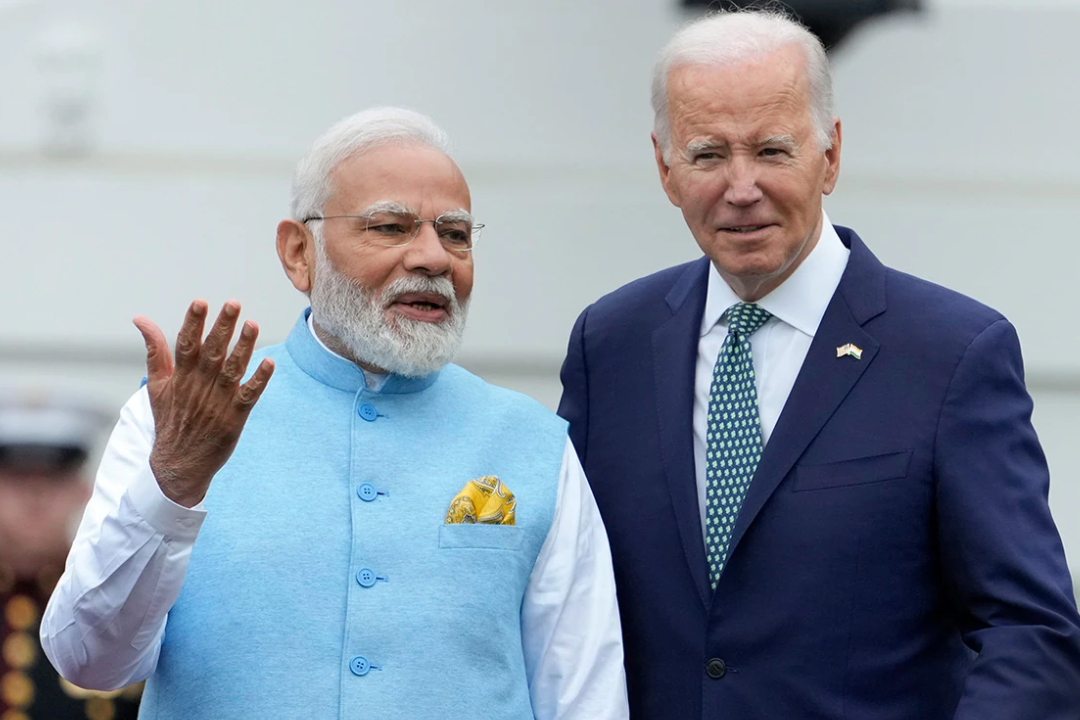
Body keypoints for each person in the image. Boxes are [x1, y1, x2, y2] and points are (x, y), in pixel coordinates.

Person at [557, 9, 1080, 719]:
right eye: (708, 155)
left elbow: (1029, 632)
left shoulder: (952, 353)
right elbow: (562, 597)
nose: (741, 187)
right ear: (665, 168)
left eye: (772, 150)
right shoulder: (610, 344)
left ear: (830, 156)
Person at [41, 107, 628, 720]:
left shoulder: (533, 444)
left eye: (455, 234)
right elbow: (88, 662)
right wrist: (172, 485)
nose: (434, 258)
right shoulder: (181, 416)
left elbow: (587, 699)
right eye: (391, 227)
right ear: (300, 253)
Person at [0, 393, 143, 719]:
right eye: (17, 478)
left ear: (84, 491)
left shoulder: (118, 602)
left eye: (54, 478)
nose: (35, 496)